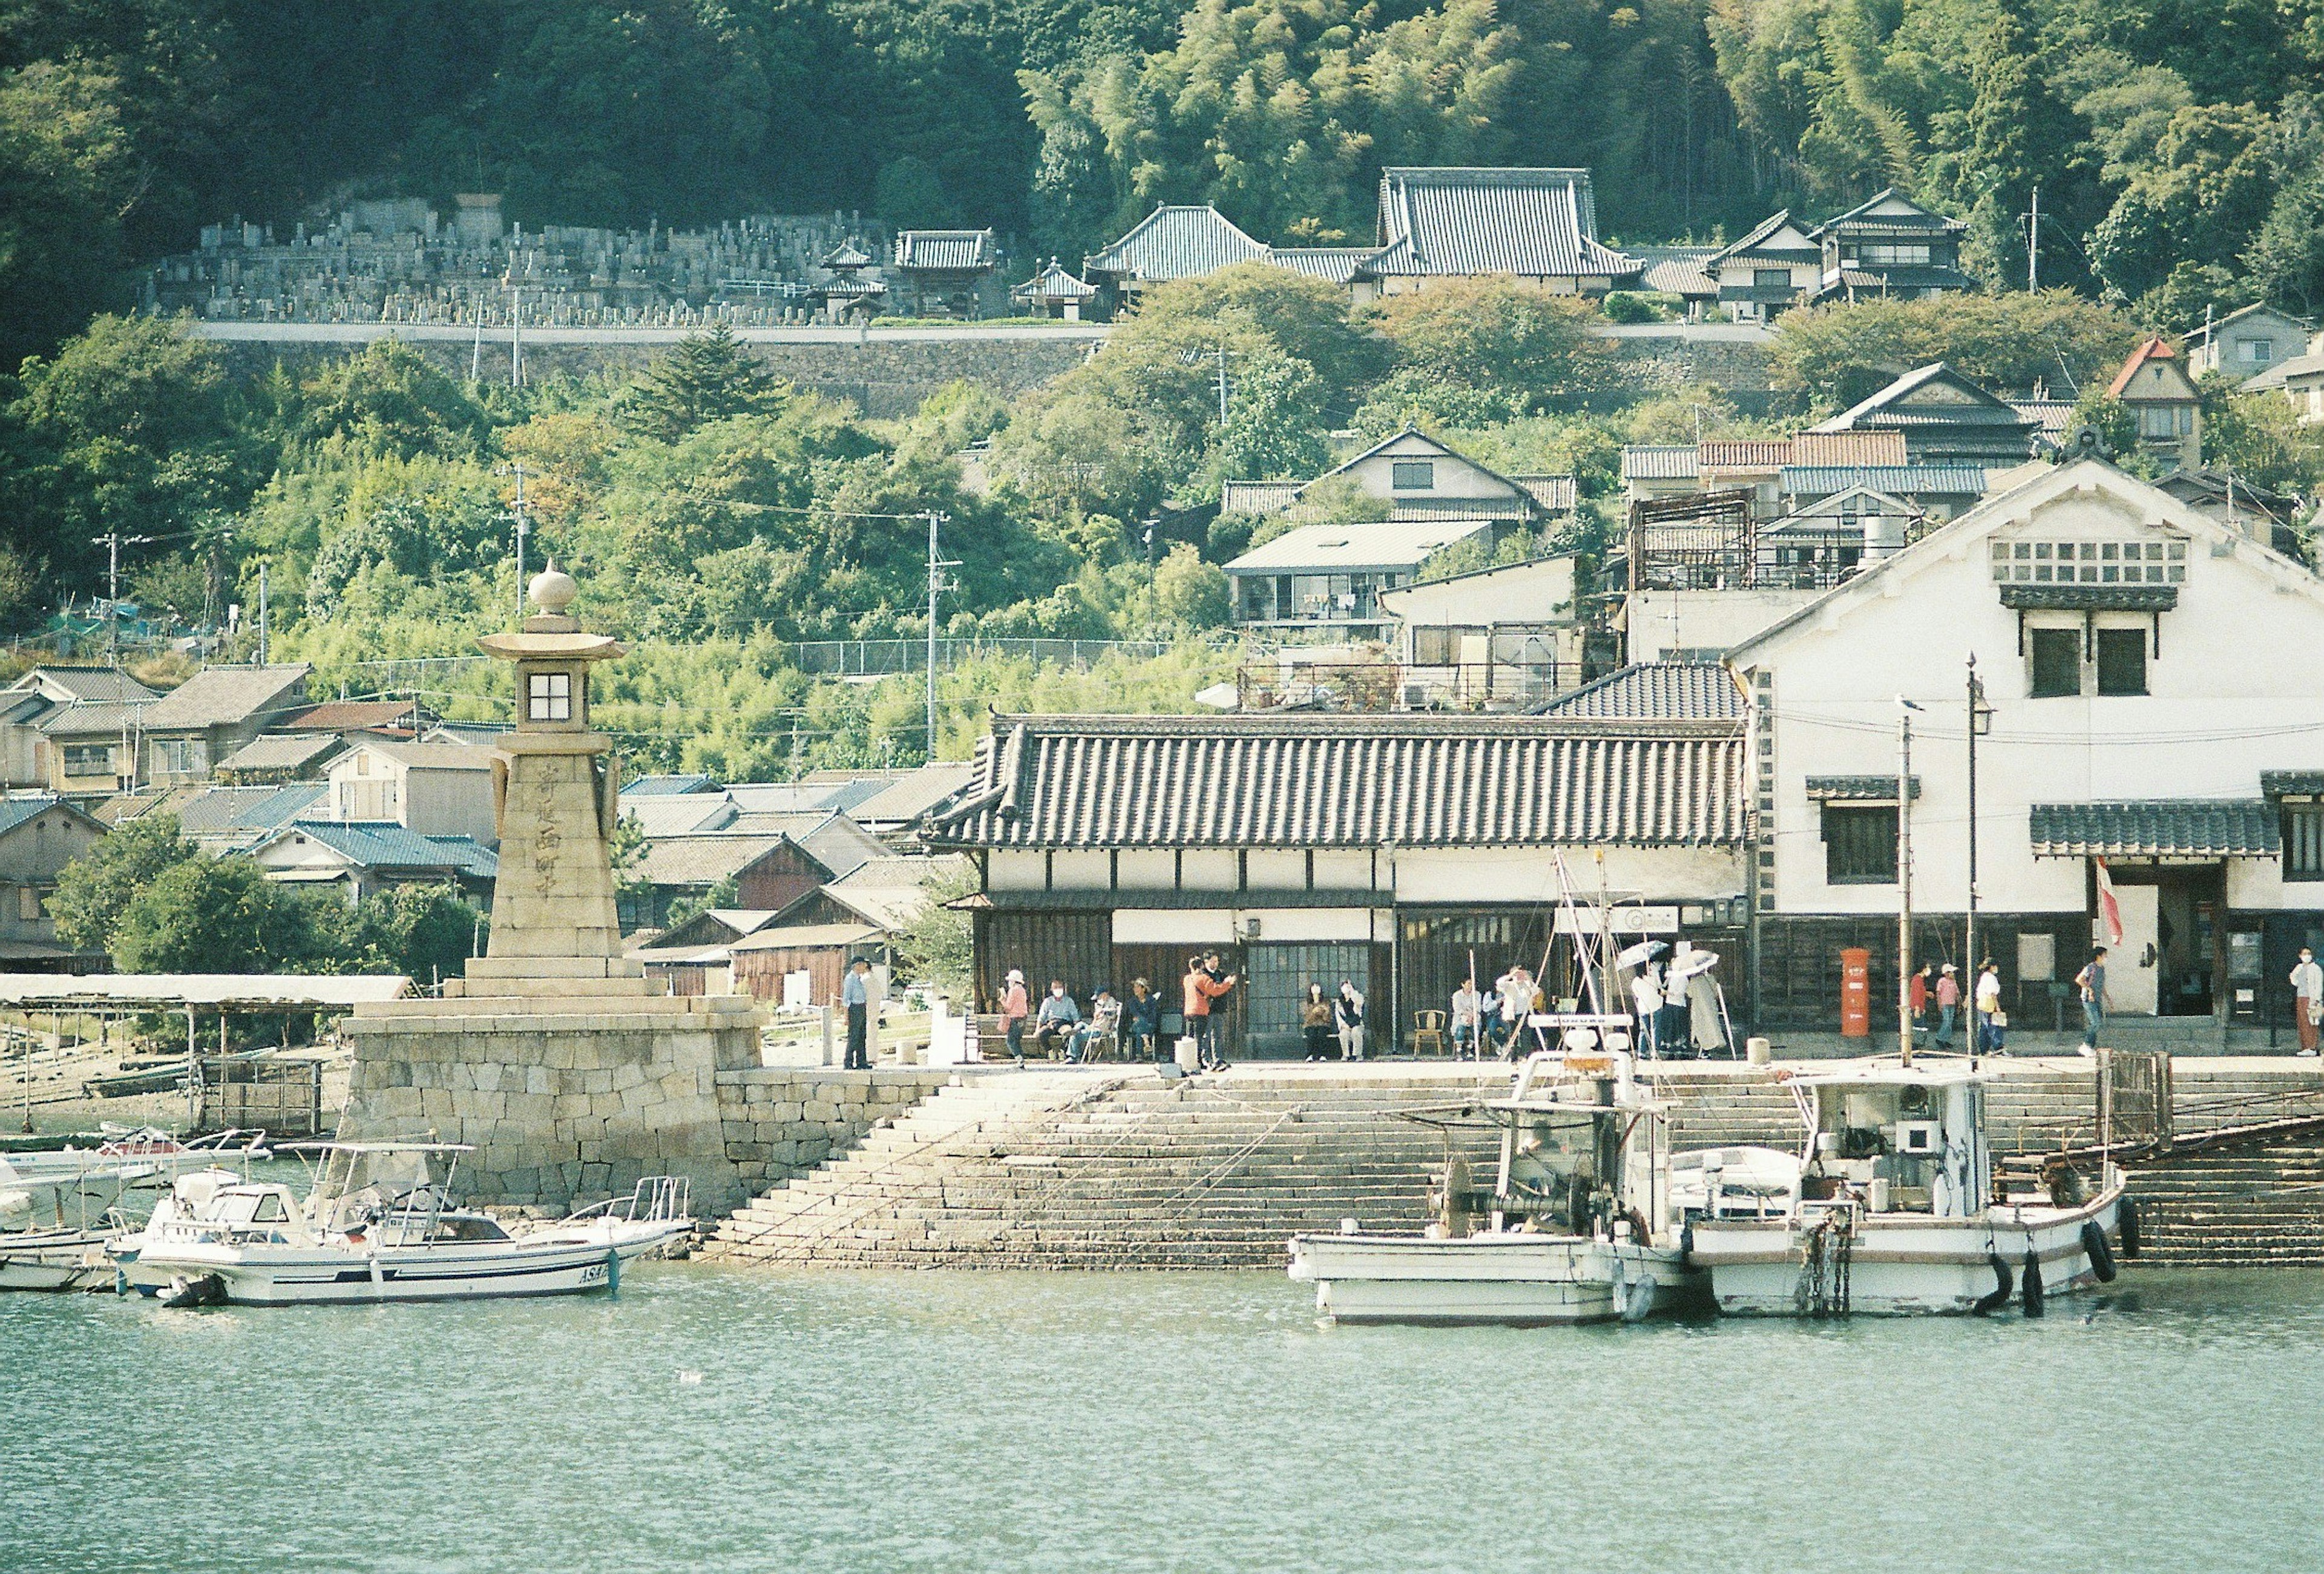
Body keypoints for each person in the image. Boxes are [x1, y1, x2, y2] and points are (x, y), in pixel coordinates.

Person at [1183, 954, 1236, 1071]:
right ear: (1203, 964)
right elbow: (1215, 991)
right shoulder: (1204, 978)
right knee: (1202, 1038)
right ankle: (1202, 1060)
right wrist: (1228, 984)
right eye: (1213, 961)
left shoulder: (1187, 979)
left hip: (1189, 1011)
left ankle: (1196, 1061)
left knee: (1192, 1037)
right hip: (1202, 1011)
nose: (1216, 963)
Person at [1033, 980, 1081, 1060]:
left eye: (1060, 987)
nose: (1058, 989)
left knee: (1069, 1033)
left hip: (1064, 1024)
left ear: (1063, 988)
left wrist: (1077, 1027)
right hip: (1051, 1024)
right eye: (1055, 987)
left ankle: (1062, 1052)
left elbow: (1075, 1016)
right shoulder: (1048, 1001)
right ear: (1052, 989)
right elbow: (1042, 1016)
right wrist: (1037, 1029)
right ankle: (1050, 1052)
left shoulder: (1069, 1001)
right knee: (1041, 1034)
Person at [2073, 947, 2109, 1057]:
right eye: (2105, 955)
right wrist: (2089, 990)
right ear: (2099, 956)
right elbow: (2079, 980)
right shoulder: (2090, 967)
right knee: (2095, 1023)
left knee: (2098, 1023)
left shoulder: (2101, 969)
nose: (2106, 958)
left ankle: (2090, 1047)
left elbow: (2101, 985)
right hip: (2089, 999)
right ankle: (2086, 1045)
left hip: (2097, 999)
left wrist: (2108, 998)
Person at [841, 956, 873, 1070]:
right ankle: (848, 1062)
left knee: (861, 1036)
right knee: (853, 1037)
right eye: (863, 965)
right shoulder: (850, 979)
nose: (865, 967)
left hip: (861, 1007)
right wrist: (846, 1017)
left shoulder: (859, 979)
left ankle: (861, 1062)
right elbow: (846, 999)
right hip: (854, 1008)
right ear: (857, 965)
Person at [2293, 947, 2324, 1057]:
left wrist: (2317, 999)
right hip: (2301, 997)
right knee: (2302, 1022)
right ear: (2300, 956)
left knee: (2311, 1022)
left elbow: (2319, 985)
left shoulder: (2315, 969)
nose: (2307, 956)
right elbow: (2293, 978)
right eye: (2305, 954)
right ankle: (2305, 1047)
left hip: (2311, 999)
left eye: (2309, 953)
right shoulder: (2299, 967)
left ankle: (2312, 1047)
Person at [1077, 988, 1121, 1062]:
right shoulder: (1099, 1004)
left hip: (1100, 1030)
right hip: (1093, 1027)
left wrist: (1103, 1010)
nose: (1098, 999)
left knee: (1076, 1036)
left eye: (1099, 997)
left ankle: (1074, 1056)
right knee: (1080, 1024)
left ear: (1104, 995)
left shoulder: (1111, 1002)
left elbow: (1113, 1012)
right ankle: (1072, 1031)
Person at [1124, 978, 1162, 1062]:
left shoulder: (1151, 1000)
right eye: (1134, 987)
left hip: (1149, 1025)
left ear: (1144, 989)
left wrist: (1143, 1019)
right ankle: (1146, 1042)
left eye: (1137, 987)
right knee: (1140, 1024)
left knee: (1140, 1030)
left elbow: (1153, 1014)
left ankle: (1139, 1055)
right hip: (1136, 1024)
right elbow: (1134, 1013)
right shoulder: (1132, 1001)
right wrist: (1142, 1019)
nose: (1135, 989)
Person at [1630, 964, 1663, 1057]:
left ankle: (1642, 1051)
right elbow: (1659, 986)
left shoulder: (1635, 981)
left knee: (1644, 1030)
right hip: (1656, 1004)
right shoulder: (1654, 976)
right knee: (1656, 1029)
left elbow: (1637, 995)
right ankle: (1655, 1050)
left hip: (1643, 1006)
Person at [1974, 959, 2006, 1055]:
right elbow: (1993, 994)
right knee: (1995, 1026)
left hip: (1982, 1003)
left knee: (1984, 1027)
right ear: (1992, 966)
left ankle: (1983, 1049)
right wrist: (1998, 1007)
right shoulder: (1991, 978)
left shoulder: (1983, 977)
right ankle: (1998, 1048)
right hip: (1990, 1003)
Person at [1001, 969, 1030, 1066]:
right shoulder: (1022, 990)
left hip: (1015, 1019)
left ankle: (1019, 1058)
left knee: (1010, 1041)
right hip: (1023, 1018)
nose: (1009, 983)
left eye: (1010, 981)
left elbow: (1008, 1007)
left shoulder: (1013, 990)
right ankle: (1020, 1059)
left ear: (1013, 981)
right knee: (1016, 1040)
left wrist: (1002, 1000)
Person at [1449, 977, 1483, 1058]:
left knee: (1475, 1028)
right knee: (1460, 1029)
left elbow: (1478, 1008)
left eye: (1472, 984)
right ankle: (1459, 1051)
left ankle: (1470, 1049)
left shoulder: (1477, 994)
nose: (1471, 986)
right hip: (1461, 1017)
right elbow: (1457, 1009)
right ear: (1463, 985)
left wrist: (1472, 1016)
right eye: (1468, 984)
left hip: (1474, 1016)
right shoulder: (1457, 995)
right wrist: (1467, 1014)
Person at [1301, 983, 1334, 1061]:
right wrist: (1314, 1013)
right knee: (1312, 1035)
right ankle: (1310, 1055)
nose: (1315, 989)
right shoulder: (1305, 1004)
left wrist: (1323, 1012)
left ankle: (1323, 1055)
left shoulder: (1326, 1002)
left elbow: (1328, 1017)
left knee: (1321, 1034)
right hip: (1310, 1025)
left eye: (1317, 987)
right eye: (1314, 987)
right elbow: (1306, 1018)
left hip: (1323, 1024)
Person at [1336, 980, 1367, 1061]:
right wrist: (1343, 1025)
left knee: (1356, 1032)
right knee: (1343, 1034)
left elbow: (1359, 1004)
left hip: (1357, 1024)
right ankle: (1346, 1055)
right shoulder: (1339, 1002)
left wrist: (1353, 992)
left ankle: (1358, 1055)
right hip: (1346, 1025)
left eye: (1348, 986)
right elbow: (1338, 1016)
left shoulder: (1358, 997)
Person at [1934, 963, 1960, 1049]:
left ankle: (1945, 1040)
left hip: (1952, 1004)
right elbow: (1938, 993)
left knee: (1950, 1022)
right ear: (1946, 973)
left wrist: (1959, 1004)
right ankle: (1939, 1038)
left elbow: (1957, 994)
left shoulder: (1954, 982)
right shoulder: (1942, 981)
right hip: (1944, 1004)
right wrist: (1939, 1003)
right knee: (1947, 1021)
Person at [1909, 963, 1933, 1041]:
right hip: (1917, 1008)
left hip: (1919, 1008)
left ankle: (1917, 1044)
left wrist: (1926, 993)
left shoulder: (1919, 980)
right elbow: (1916, 994)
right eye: (1928, 968)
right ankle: (1916, 1045)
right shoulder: (1918, 980)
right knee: (1919, 1028)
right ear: (1924, 969)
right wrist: (1917, 1009)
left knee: (1919, 1028)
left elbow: (1919, 992)